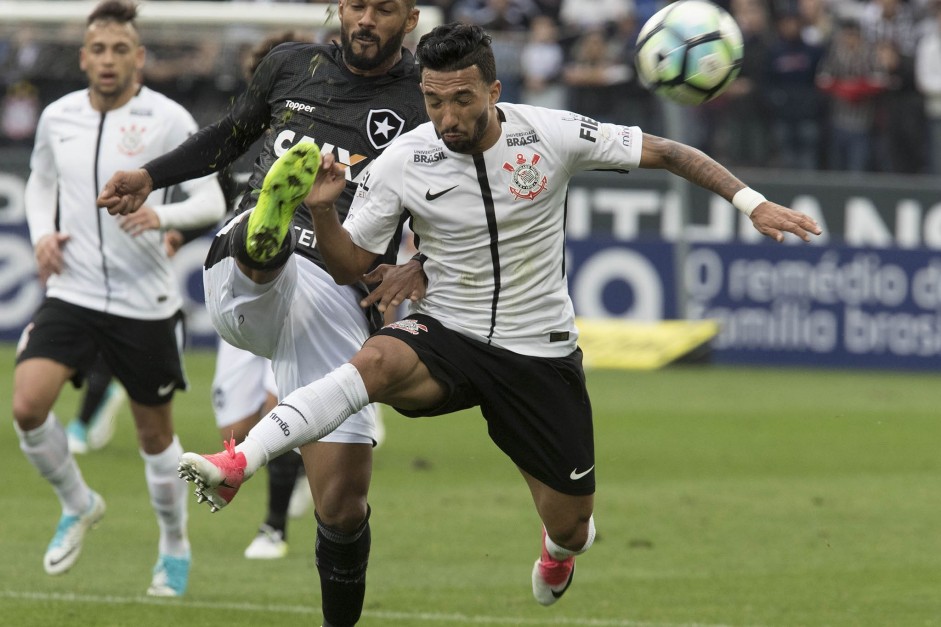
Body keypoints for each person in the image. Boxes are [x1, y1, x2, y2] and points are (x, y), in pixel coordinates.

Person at [165, 22, 823, 607]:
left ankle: (557, 549)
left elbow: (672, 152)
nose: (446, 116)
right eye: (432, 100)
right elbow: (346, 266)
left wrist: (751, 203)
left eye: (461, 99)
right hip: (445, 334)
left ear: (494, 90)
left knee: (573, 523)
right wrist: (321, 209)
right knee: (373, 358)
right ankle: (236, 463)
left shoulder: (552, 133)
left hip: (538, 352)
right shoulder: (404, 159)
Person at [97, 1, 428, 624]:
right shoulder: (290, 66)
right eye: (355, 5)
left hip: (342, 283)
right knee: (263, 247)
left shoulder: (423, 97)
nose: (364, 19)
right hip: (251, 265)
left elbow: (452, 194)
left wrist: (422, 264)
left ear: (409, 18)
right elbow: (229, 137)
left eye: (382, 9)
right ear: (338, 9)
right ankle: (269, 235)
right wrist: (149, 174)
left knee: (344, 505)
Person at [12, 0, 226, 597]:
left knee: (154, 439)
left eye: (120, 50)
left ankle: (174, 546)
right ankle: (79, 504)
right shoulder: (58, 117)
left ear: (140, 57)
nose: (108, 60)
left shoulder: (168, 118)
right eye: (98, 50)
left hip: (144, 303)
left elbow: (211, 202)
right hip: (73, 290)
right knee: (28, 408)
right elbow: (40, 182)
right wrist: (40, 236)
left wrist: (160, 214)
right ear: (84, 57)